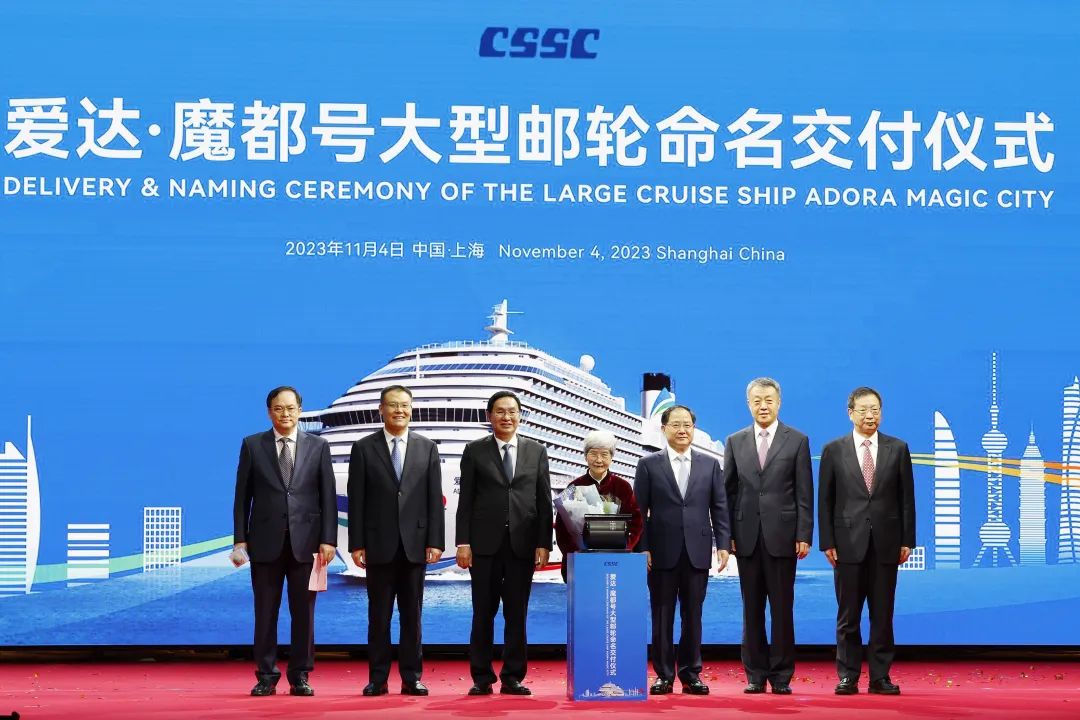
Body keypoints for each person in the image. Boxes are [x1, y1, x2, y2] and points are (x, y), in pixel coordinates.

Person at [232, 386, 337, 697]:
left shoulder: (318, 446)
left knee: (304, 614)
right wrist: (240, 540)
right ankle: (266, 675)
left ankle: (300, 675)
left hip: (307, 544)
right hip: (264, 543)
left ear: (300, 410)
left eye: (291, 408)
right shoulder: (253, 445)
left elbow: (328, 497)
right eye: (279, 409)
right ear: (269, 412)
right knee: (265, 612)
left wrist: (328, 539)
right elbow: (242, 498)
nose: (285, 414)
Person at [347, 385, 445, 697]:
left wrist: (436, 541)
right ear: (381, 409)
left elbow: (434, 499)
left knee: (412, 616)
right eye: (392, 405)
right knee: (378, 616)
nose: (399, 410)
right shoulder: (363, 448)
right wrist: (356, 543)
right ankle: (377, 679)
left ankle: (411, 677)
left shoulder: (427, 447)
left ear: (411, 409)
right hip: (378, 544)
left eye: (404, 405)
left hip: (416, 545)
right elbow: (356, 500)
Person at [818, 386, 916, 696]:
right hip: (847, 543)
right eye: (863, 410)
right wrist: (827, 541)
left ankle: (880, 677)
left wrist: (907, 540)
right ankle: (848, 676)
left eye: (875, 409)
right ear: (851, 413)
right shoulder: (833, 450)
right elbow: (825, 500)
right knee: (848, 615)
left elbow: (906, 499)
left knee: (882, 615)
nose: (870, 415)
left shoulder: (897, 448)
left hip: (887, 543)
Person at [455, 390, 553, 696]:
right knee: (482, 613)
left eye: (512, 411)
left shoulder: (536, 451)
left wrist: (544, 543)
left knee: (516, 613)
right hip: (483, 545)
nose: (506, 417)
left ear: (520, 416)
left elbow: (543, 500)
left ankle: (513, 677)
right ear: (489, 416)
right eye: (500, 411)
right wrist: (463, 542)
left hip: (522, 545)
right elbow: (466, 500)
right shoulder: (475, 450)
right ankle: (481, 677)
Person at [724, 378, 813, 695]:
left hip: (783, 536)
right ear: (748, 404)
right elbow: (728, 492)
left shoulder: (797, 440)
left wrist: (804, 533)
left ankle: (781, 675)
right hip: (745, 536)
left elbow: (804, 492)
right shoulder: (735, 441)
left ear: (779, 402)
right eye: (757, 401)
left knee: (782, 609)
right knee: (751, 609)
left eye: (769, 400)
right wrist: (727, 535)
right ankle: (755, 674)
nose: (763, 406)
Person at [634, 405, 730, 695]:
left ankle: (691, 674)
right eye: (675, 425)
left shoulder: (710, 464)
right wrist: (642, 548)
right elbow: (639, 511)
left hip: (697, 551)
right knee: (661, 615)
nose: (682, 430)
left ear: (693, 429)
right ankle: (663, 675)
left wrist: (723, 544)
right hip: (660, 552)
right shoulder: (648, 464)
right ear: (664, 429)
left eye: (687, 425)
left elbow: (720, 507)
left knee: (693, 615)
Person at [554, 430, 644, 581]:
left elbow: (636, 522)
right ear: (585, 456)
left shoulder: (623, 486)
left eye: (604, 455)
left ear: (612, 457)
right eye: (593, 454)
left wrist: (625, 546)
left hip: (616, 560)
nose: (599, 460)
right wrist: (576, 553)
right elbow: (562, 527)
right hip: (581, 562)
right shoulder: (574, 486)